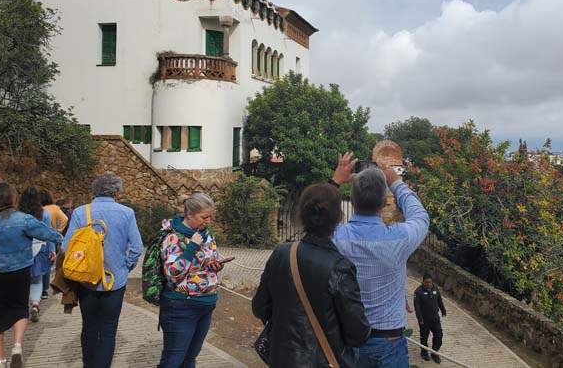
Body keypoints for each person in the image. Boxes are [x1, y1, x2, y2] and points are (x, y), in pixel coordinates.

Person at [253, 183, 371, 367]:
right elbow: (358, 333)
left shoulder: (282, 253)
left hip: (282, 358)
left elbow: (260, 308)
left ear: (302, 214)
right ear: (339, 218)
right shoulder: (340, 267)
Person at [330, 153, 430, 368]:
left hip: (345, 338)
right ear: (385, 202)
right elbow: (420, 216)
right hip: (387, 341)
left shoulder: (337, 236)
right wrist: (396, 181)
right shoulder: (398, 239)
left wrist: (335, 182)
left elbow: (317, 212)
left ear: (352, 200)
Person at [0, 182, 62, 367]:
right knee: (19, 309)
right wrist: (64, 241)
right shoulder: (24, 219)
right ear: (12, 200)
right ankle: (16, 346)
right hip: (20, 273)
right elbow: (50, 235)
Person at [63, 173, 143, 368]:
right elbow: (137, 247)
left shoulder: (81, 212)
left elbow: (66, 247)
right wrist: (125, 266)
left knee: (89, 327)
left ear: (94, 192)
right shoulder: (126, 213)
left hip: (86, 282)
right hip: (115, 281)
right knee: (108, 330)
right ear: (116, 192)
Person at [158, 193, 227, 367]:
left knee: (190, 359)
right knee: (173, 361)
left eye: (210, 217)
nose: (208, 221)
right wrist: (192, 247)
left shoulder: (206, 234)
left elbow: (208, 260)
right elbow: (172, 273)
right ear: (189, 214)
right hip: (181, 305)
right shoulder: (172, 236)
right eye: (204, 217)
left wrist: (215, 265)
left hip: (206, 303)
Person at [18, 186, 56, 323]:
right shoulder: (44, 214)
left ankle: (22, 306)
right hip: (40, 249)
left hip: (22, 250)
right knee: (37, 279)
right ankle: (35, 304)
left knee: (23, 280)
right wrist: (52, 250)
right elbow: (48, 233)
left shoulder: (18, 215)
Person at [39, 189, 68, 297]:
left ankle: (37, 286)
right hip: (51, 238)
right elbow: (65, 219)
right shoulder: (54, 208)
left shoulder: (37, 209)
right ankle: (44, 289)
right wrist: (58, 231)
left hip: (38, 239)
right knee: (48, 263)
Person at [413, 273, 447, 363]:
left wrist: (443, 310)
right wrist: (420, 318)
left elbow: (439, 300)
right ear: (423, 282)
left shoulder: (435, 288)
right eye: (426, 282)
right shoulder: (418, 292)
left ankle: (434, 352)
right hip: (424, 320)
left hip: (435, 319)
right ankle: (424, 352)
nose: (428, 284)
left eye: (430, 282)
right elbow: (417, 307)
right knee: (424, 337)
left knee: (439, 335)